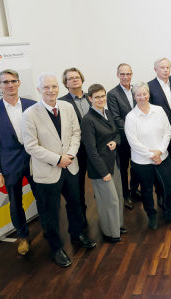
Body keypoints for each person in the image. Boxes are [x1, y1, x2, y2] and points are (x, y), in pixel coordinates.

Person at [22, 73, 96, 267]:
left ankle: (78, 235)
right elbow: (31, 146)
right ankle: (56, 248)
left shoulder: (67, 107)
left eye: (54, 86)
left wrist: (69, 156)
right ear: (39, 90)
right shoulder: (30, 114)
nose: (51, 90)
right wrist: (57, 159)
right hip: (47, 171)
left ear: (58, 88)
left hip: (70, 166)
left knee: (75, 204)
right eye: (46, 87)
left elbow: (75, 133)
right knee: (50, 214)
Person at [0, 69, 39, 256]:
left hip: (34, 160)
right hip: (9, 165)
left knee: (43, 196)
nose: (10, 84)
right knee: (15, 203)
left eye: (13, 81)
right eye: (5, 82)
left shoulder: (32, 105)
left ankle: (49, 228)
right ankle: (22, 236)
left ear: (19, 83)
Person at [125, 82, 171, 230]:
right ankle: (151, 215)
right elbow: (133, 142)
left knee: (168, 187)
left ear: (149, 94)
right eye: (139, 95)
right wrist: (151, 155)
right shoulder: (131, 117)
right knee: (146, 190)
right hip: (142, 161)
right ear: (134, 96)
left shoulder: (159, 110)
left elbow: (167, 131)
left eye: (145, 94)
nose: (142, 97)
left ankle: (168, 212)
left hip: (163, 156)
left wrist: (160, 151)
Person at [81, 84, 125, 243]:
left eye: (103, 96)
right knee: (108, 200)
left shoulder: (107, 113)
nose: (101, 99)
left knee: (118, 196)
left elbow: (117, 134)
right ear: (90, 99)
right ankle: (109, 232)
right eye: (97, 97)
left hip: (114, 162)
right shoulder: (88, 120)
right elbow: (91, 150)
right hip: (101, 168)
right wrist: (104, 172)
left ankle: (118, 226)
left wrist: (115, 142)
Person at [148, 58, 171, 193]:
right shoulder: (149, 87)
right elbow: (149, 112)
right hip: (159, 135)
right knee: (162, 164)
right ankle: (161, 193)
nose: (165, 70)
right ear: (155, 69)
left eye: (168, 67)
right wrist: (164, 131)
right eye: (162, 67)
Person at [58, 67, 90, 224]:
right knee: (78, 187)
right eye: (70, 78)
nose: (74, 79)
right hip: (77, 151)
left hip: (95, 149)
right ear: (66, 83)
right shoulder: (62, 103)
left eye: (77, 77)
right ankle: (81, 216)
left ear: (82, 79)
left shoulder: (92, 97)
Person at [107, 63, 139, 210]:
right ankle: (125, 195)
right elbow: (116, 117)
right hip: (124, 137)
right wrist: (132, 128)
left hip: (139, 137)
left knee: (137, 164)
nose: (125, 77)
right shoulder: (112, 94)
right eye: (122, 74)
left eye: (128, 74)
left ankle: (134, 189)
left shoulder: (136, 90)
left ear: (132, 74)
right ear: (117, 75)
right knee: (124, 167)